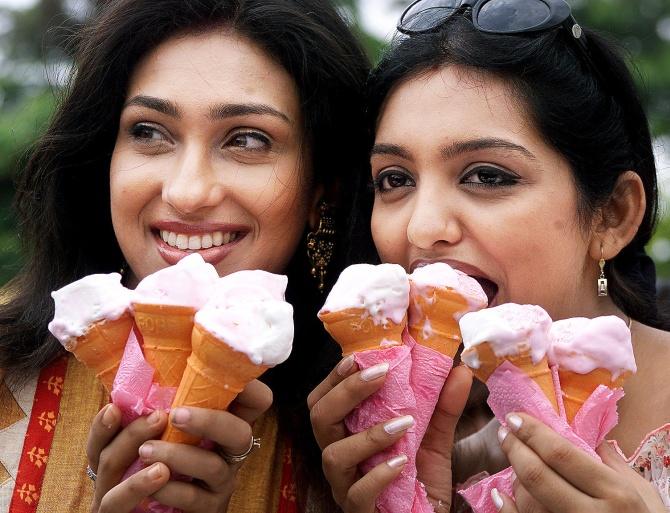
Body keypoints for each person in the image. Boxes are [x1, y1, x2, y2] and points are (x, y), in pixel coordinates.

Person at [0, 1, 370, 512]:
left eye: (247, 139)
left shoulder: (366, 434)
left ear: (320, 194)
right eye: (149, 131)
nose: (187, 192)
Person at [308, 1, 670, 512]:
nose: (422, 227)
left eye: (486, 176)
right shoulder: (411, 441)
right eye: (395, 179)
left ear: (612, 215)